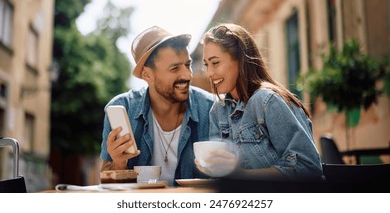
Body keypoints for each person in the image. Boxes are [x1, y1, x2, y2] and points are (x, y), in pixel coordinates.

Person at [198, 23, 323, 181]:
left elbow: (309, 169)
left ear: (240, 60)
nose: (209, 73)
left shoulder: (266, 101)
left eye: (215, 63)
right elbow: (224, 178)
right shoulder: (219, 110)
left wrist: (241, 175)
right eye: (206, 65)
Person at [100, 26, 215, 185]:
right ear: (147, 75)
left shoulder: (210, 108)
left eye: (187, 65)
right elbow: (106, 184)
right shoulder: (123, 108)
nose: (187, 75)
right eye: (174, 68)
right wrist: (119, 163)